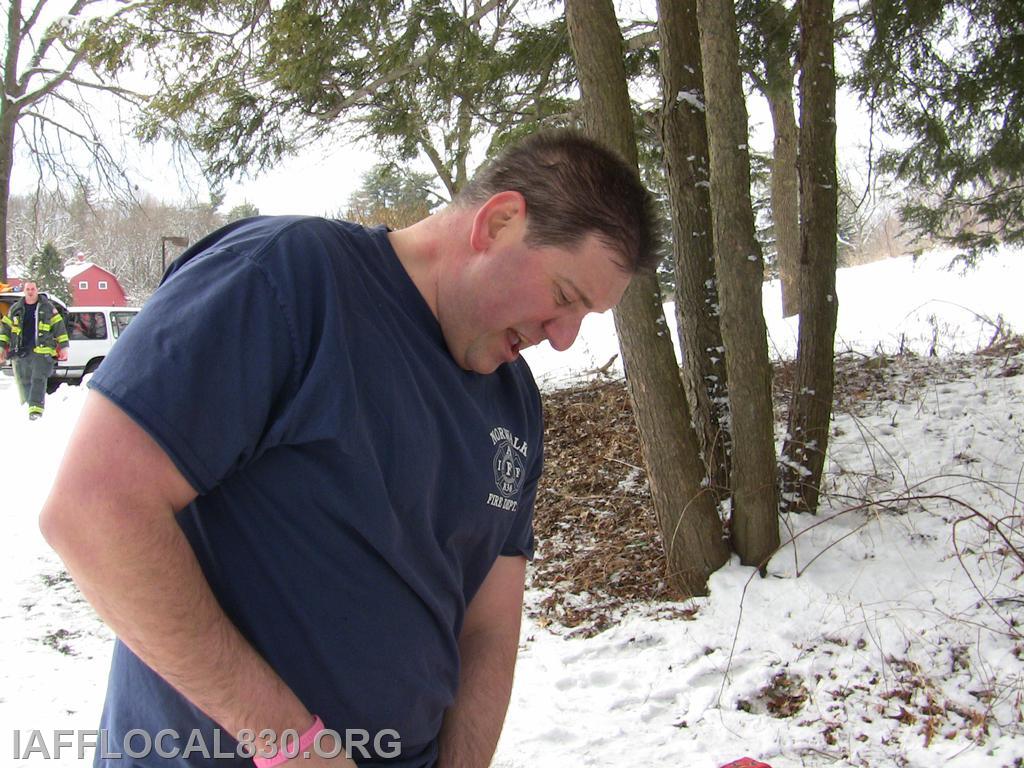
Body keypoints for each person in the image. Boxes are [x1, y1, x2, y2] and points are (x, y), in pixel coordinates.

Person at [39, 129, 659, 767]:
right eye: (564, 297)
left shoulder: (516, 403)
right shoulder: (288, 279)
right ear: (498, 221)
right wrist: (294, 746)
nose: (563, 338)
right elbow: (93, 508)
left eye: (585, 318)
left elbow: (489, 626)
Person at [0, 280, 69, 420]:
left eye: (33, 289)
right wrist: (1, 347)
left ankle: (35, 411)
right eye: (28, 289)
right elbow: (5, 329)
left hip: (42, 352)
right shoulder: (15, 309)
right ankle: (27, 407)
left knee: (38, 379)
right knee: (24, 380)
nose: (30, 292)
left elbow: (59, 328)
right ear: (24, 291)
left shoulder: (48, 308)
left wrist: (64, 347)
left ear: (37, 290)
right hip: (21, 352)